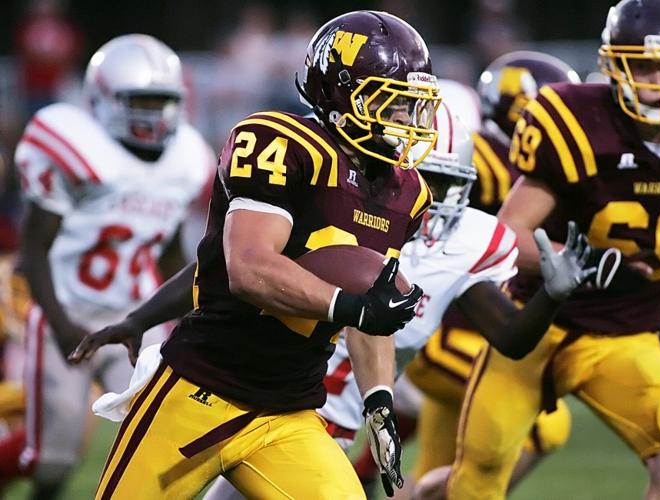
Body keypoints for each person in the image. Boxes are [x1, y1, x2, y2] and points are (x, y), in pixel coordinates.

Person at [69, 11, 442, 499]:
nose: (404, 121)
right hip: (202, 390)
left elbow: (372, 298)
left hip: (288, 412)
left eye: (411, 107)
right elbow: (246, 268)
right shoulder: (279, 142)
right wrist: (350, 307)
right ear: (339, 94)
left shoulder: (406, 192)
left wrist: (378, 398)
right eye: (389, 104)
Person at [429, 0, 660, 498]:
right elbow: (507, 234)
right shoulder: (576, 123)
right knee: (479, 474)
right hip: (536, 324)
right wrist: (573, 264)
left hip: (626, 337)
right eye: (644, 65)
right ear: (615, 67)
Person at [11, 34, 214, 498]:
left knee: (157, 436)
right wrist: (61, 326)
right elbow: (34, 249)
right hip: (67, 311)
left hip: (135, 317)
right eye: (139, 101)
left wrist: (193, 314)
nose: (152, 114)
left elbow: (169, 254)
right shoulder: (75, 146)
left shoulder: (187, 159)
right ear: (102, 99)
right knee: (52, 462)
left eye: (162, 103)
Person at [389, 56, 581, 497]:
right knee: (545, 424)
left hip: (452, 322)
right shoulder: (488, 158)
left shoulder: (485, 199)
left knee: (433, 465)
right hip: (441, 336)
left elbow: (510, 332)